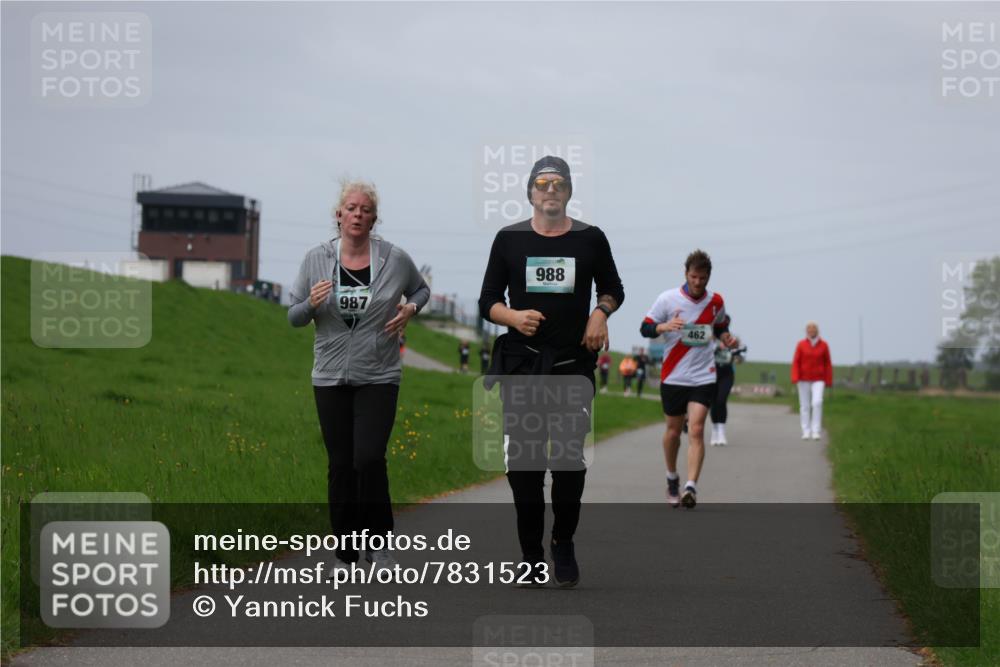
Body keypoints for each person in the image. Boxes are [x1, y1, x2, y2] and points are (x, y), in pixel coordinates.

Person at [479, 155, 624, 587]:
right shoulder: (509, 239)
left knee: (566, 463)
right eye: (542, 183)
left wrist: (600, 313)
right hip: (523, 366)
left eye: (558, 183)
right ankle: (529, 554)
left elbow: (613, 288)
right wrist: (513, 317)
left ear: (569, 191)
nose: (550, 189)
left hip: (570, 367)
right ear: (529, 192)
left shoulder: (590, 239)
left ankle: (563, 540)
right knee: (523, 464)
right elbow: (487, 299)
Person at [288, 179, 429, 572]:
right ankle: (347, 551)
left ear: (374, 218)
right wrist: (312, 304)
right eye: (351, 208)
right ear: (338, 215)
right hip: (330, 374)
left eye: (365, 210)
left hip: (379, 372)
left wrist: (410, 310)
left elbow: (420, 290)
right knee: (340, 464)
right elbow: (294, 316)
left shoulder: (393, 259)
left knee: (368, 458)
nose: (357, 215)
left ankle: (380, 545)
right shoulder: (316, 259)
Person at [640, 250, 739, 509]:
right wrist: (662, 327)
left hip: (702, 375)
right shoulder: (667, 299)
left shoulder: (715, 301)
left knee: (696, 429)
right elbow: (645, 327)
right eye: (694, 277)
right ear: (686, 274)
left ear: (708, 278)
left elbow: (720, 326)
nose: (697, 282)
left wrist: (726, 337)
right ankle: (672, 476)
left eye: (702, 278)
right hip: (673, 375)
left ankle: (691, 487)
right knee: (673, 432)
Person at [791, 321, 833, 440]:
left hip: (818, 379)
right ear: (806, 331)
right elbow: (796, 362)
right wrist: (795, 377)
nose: (811, 331)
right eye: (809, 329)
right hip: (803, 379)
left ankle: (816, 431)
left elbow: (828, 363)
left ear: (817, 330)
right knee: (804, 406)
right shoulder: (801, 345)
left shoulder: (824, 345)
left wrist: (829, 380)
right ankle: (806, 431)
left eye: (813, 329)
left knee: (817, 402)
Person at [709, 323, 747, 446]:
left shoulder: (731, 340)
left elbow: (741, 356)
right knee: (713, 402)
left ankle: (721, 431)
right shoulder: (709, 340)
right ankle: (714, 431)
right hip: (711, 374)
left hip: (726, 374)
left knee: (721, 400)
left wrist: (736, 355)